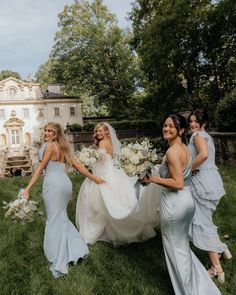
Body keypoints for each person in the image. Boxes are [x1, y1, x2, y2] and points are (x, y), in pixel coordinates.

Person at [143, 114, 221, 295]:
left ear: (181, 130)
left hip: (174, 204)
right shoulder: (184, 147)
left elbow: (177, 183)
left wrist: (152, 178)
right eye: (165, 125)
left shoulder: (172, 152)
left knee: (175, 249)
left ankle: (188, 290)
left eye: (171, 126)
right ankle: (199, 283)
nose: (166, 128)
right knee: (182, 246)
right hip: (187, 201)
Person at [21, 122, 104, 278]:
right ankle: (76, 247)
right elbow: (78, 166)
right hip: (65, 184)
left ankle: (56, 256)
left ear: (55, 134)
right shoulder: (63, 147)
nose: (46, 133)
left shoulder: (50, 146)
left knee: (53, 219)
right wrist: (96, 179)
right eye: (45, 130)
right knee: (61, 217)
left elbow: (40, 169)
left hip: (53, 185)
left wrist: (27, 189)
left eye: (50, 131)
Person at [76, 122, 160, 245]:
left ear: (106, 132)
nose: (99, 132)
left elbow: (102, 161)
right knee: (114, 200)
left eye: (101, 130)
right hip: (112, 173)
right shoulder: (109, 142)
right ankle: (111, 227)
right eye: (97, 131)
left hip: (103, 173)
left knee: (97, 202)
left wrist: (89, 162)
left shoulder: (102, 143)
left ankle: (97, 228)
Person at [188, 109, 232, 283]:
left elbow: (204, 155)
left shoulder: (197, 135)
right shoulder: (207, 135)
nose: (192, 124)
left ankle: (216, 268)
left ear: (204, 122)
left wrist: (187, 169)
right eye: (190, 121)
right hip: (211, 180)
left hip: (202, 184)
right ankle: (223, 248)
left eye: (196, 121)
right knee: (205, 219)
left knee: (202, 223)